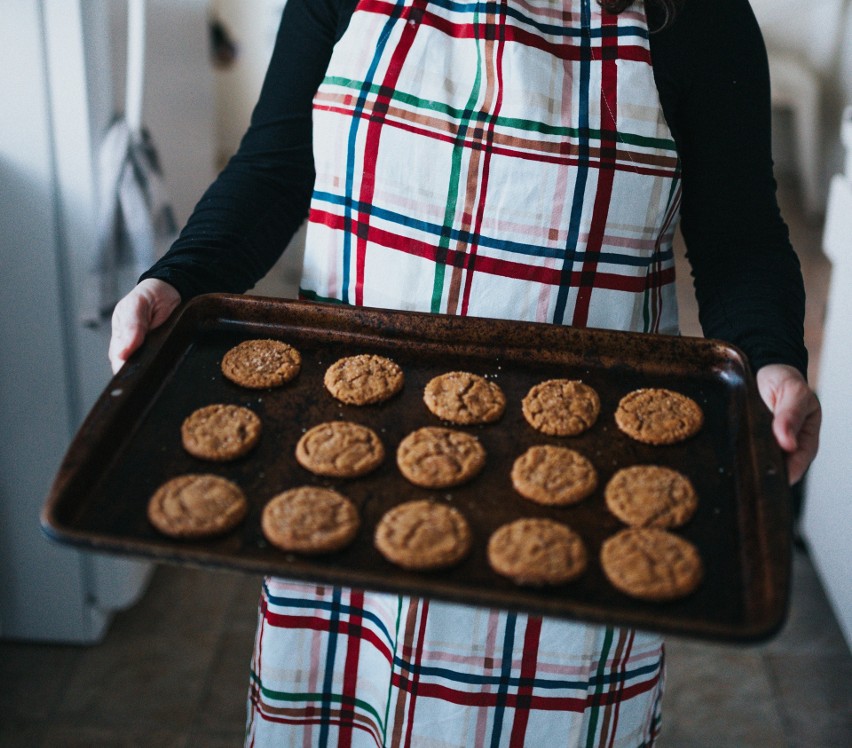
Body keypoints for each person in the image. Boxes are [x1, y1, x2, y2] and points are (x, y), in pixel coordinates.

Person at [110, 0, 821, 744]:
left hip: (570, 507)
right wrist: (178, 280)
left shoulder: (696, 18)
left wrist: (771, 357)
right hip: (350, 478)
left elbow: (738, 234)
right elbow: (275, 168)